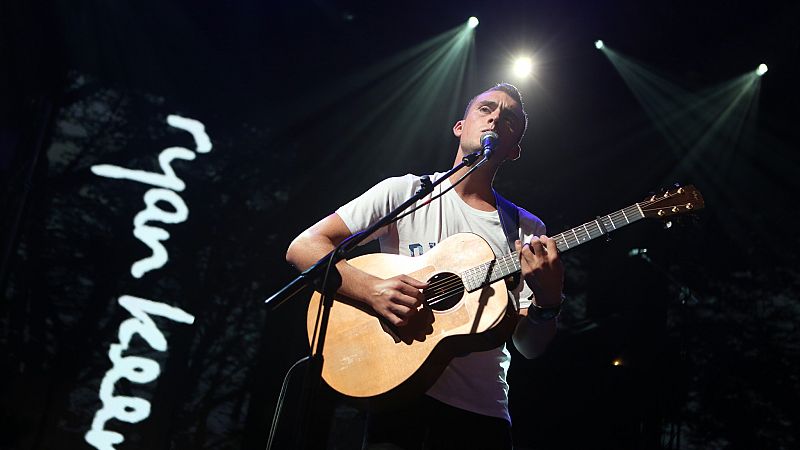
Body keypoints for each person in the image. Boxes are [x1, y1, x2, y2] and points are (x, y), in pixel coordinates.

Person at [286, 83, 565, 449]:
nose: (496, 116)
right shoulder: (404, 193)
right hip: (396, 395)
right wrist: (371, 289)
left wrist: (547, 302)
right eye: (486, 108)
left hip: (481, 414)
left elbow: (529, 347)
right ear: (460, 126)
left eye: (510, 118)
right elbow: (304, 248)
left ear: (513, 151)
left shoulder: (526, 229)